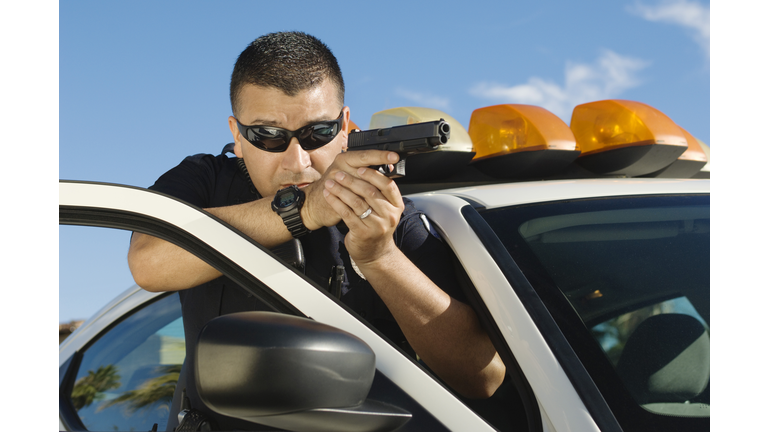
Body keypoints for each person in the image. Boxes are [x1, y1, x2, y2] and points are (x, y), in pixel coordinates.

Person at [127, 31, 505, 426]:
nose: (297, 161)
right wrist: (305, 209)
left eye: (317, 133)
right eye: (268, 136)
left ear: (344, 127)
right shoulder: (204, 181)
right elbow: (148, 264)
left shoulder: (386, 212)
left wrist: (381, 258)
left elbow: (483, 376)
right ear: (237, 135)